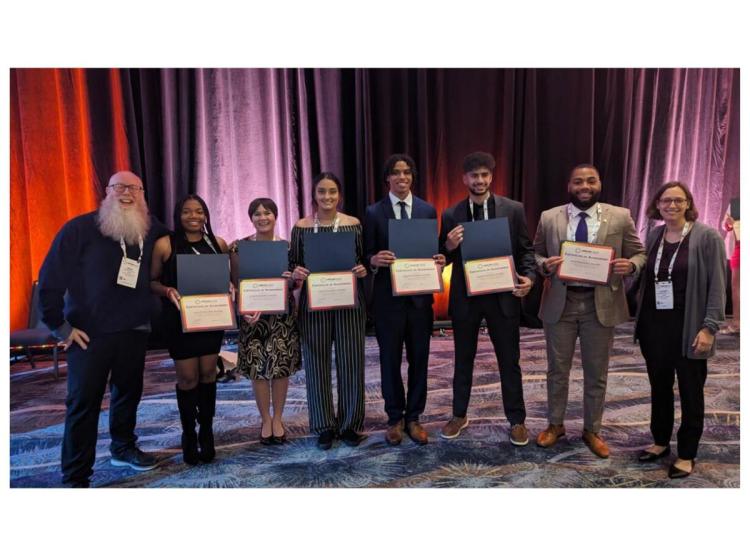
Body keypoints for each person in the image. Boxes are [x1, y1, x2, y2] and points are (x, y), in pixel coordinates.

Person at [38, 171, 168, 487]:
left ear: (142, 195)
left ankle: (123, 448)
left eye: (134, 188)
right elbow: (50, 278)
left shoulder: (148, 228)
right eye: (119, 187)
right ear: (106, 192)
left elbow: (182, 236)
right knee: (84, 403)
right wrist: (60, 327)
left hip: (134, 330)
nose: (127, 193)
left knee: (128, 394)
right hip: (88, 335)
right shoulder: (79, 228)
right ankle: (76, 474)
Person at [533, 163, 646, 458]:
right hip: (561, 301)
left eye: (591, 181)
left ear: (599, 184)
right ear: (569, 186)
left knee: (596, 372)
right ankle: (555, 425)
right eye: (578, 182)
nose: (585, 186)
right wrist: (543, 265)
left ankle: (591, 429)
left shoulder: (620, 216)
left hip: (601, 303)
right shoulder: (549, 217)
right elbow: (536, 252)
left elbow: (639, 252)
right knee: (557, 370)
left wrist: (632, 265)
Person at [438, 152, 536, 446]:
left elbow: (526, 250)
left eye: (484, 175)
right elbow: (443, 257)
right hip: (466, 299)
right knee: (462, 359)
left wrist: (529, 278)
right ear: (464, 179)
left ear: (491, 177)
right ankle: (459, 414)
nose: (479, 180)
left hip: (502, 297)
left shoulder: (513, 209)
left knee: (509, 360)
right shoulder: (451, 213)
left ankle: (517, 420)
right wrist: (449, 244)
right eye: (473, 176)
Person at [634, 182, 725, 478]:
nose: (671, 205)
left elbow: (717, 287)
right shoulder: (655, 234)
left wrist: (710, 327)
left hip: (689, 328)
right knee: (659, 388)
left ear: (688, 203)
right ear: (657, 205)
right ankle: (660, 441)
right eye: (665, 201)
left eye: (678, 200)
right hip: (654, 328)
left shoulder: (707, 236)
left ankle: (686, 453)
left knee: (690, 391)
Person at [364, 154, 446, 446]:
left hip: (420, 301)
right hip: (388, 301)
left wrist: (439, 258)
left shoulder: (426, 210)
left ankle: (414, 418)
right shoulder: (374, 212)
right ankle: (394, 418)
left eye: (407, 172)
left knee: (420, 360)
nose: (402, 177)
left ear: (412, 177)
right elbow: (365, 254)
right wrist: (374, 259)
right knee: (389, 361)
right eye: (396, 173)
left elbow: (433, 251)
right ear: (387, 178)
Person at [290, 172, 369, 450]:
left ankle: (349, 425)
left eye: (332, 192)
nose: (327, 197)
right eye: (322, 192)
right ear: (314, 195)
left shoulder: (353, 225)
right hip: (314, 302)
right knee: (316, 363)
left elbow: (363, 260)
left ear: (340, 195)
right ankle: (324, 425)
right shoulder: (300, 227)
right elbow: (293, 266)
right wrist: (295, 274)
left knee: (351, 362)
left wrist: (362, 269)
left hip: (349, 302)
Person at [150, 194, 228, 464]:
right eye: (187, 212)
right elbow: (151, 282)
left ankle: (206, 431)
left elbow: (226, 278)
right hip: (179, 321)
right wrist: (167, 289)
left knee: (208, 375)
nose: (193, 216)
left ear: (206, 215)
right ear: (178, 215)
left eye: (199, 212)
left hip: (210, 320)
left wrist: (228, 287)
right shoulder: (165, 244)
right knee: (187, 379)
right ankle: (188, 434)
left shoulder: (217, 243)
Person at [229, 198, 301, 445]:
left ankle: (278, 417)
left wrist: (293, 279)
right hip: (253, 317)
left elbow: (295, 282)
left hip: (282, 317)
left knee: (281, 368)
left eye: (267, 213)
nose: (262, 217)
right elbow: (237, 284)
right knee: (258, 370)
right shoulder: (238, 247)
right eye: (257, 213)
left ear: (276, 216)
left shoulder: (288, 247)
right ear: (251, 218)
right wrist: (245, 309)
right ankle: (265, 418)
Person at [720, 204, 740, 334]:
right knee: (737, 286)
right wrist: (729, 224)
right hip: (740, 246)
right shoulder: (737, 204)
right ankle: (737, 323)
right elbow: (725, 225)